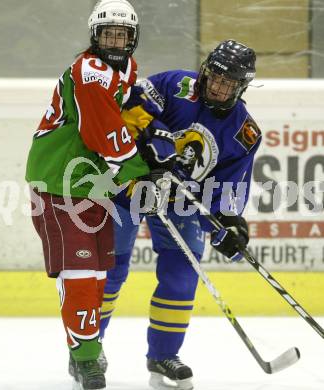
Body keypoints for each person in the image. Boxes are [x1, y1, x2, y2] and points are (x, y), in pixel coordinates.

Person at [98, 40, 262, 390]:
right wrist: (149, 136)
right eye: (215, 77)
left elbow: (226, 189)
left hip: (181, 201)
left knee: (181, 275)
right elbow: (129, 104)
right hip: (131, 186)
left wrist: (227, 224)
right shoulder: (175, 85)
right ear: (205, 70)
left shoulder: (243, 133)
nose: (217, 87)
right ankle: (87, 347)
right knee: (111, 270)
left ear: (241, 87)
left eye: (228, 83)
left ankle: (163, 355)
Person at [25, 1, 156, 389]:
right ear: (94, 36)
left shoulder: (126, 69)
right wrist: (141, 169)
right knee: (81, 274)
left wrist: (151, 143)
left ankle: (81, 350)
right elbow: (102, 134)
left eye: (122, 34)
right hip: (59, 182)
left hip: (92, 184)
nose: (115, 40)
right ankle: (85, 359)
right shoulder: (89, 72)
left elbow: (129, 114)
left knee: (99, 274)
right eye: (107, 33)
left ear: (132, 38)